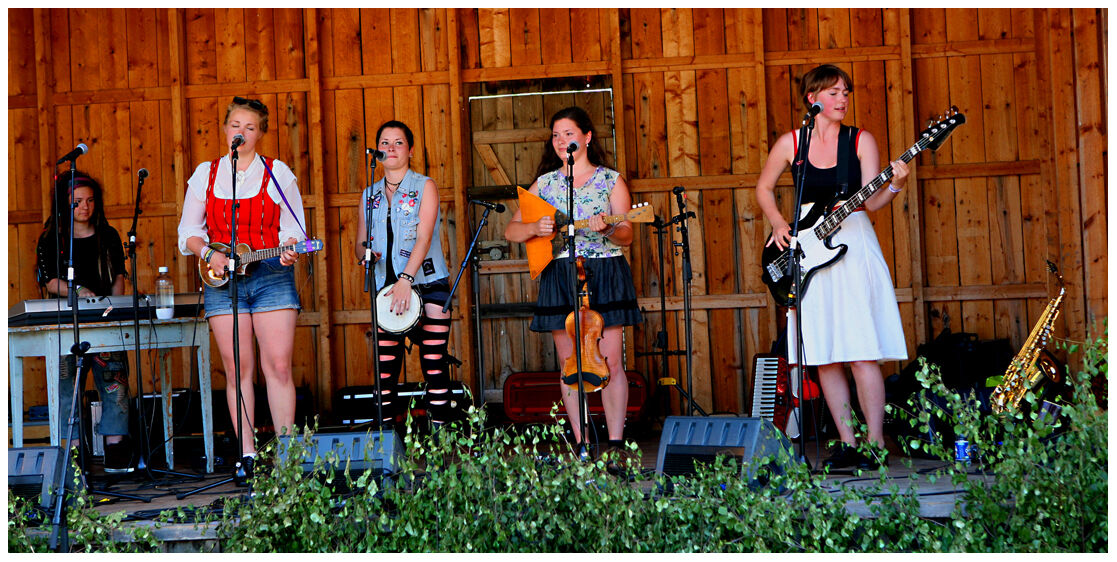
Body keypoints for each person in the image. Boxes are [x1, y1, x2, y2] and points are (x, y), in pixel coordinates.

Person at [755, 64, 909, 469]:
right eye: (834, 92)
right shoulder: (792, 142)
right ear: (813, 99)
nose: (842, 99)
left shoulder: (860, 140)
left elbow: (871, 202)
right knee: (824, 353)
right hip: (809, 248)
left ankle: (875, 443)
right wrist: (778, 222)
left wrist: (895, 185)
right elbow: (764, 187)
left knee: (861, 350)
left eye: (846, 92)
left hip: (852, 245)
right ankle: (847, 442)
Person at [177, 96, 306, 480]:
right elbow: (188, 232)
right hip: (222, 282)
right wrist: (209, 253)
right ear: (225, 129)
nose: (241, 133)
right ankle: (247, 454)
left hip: (270, 275)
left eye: (250, 127)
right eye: (236, 125)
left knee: (278, 365)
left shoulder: (277, 172)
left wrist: (290, 250)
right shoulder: (206, 174)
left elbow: (295, 230)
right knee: (237, 368)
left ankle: (286, 455)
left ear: (260, 133)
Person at [504, 106, 642, 458]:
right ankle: (581, 443)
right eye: (556, 135)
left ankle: (615, 444)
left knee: (610, 360)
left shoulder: (610, 180)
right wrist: (534, 227)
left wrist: (608, 228)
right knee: (570, 364)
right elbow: (511, 230)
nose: (561, 140)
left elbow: (627, 235)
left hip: (605, 271)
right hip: (561, 273)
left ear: (587, 137)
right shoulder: (546, 183)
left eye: (568, 133)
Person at [355, 120, 454, 430]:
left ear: (410, 150)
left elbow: (424, 237)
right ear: (377, 151)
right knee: (385, 371)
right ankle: (388, 440)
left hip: (427, 282)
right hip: (385, 286)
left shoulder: (425, 186)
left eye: (398, 142)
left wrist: (405, 280)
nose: (391, 148)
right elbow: (359, 243)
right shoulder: (369, 194)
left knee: (434, 362)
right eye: (385, 143)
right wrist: (365, 254)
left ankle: (441, 439)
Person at [36, 170, 132, 473]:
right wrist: (78, 291)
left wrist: (114, 308)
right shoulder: (52, 240)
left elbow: (118, 276)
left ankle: (116, 450)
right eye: (77, 202)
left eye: (90, 200)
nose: (85, 207)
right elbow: (50, 281)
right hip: (67, 324)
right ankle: (75, 456)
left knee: (115, 385)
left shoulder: (109, 235)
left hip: (105, 322)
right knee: (68, 389)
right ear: (65, 205)